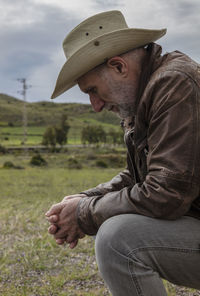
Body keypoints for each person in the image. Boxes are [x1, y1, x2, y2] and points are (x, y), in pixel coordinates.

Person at [45, 10, 200, 296]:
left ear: (118, 66)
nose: (95, 105)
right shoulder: (146, 94)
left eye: (93, 90)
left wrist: (84, 214)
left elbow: (167, 192)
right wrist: (87, 198)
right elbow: (139, 175)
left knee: (119, 239)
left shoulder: (174, 83)